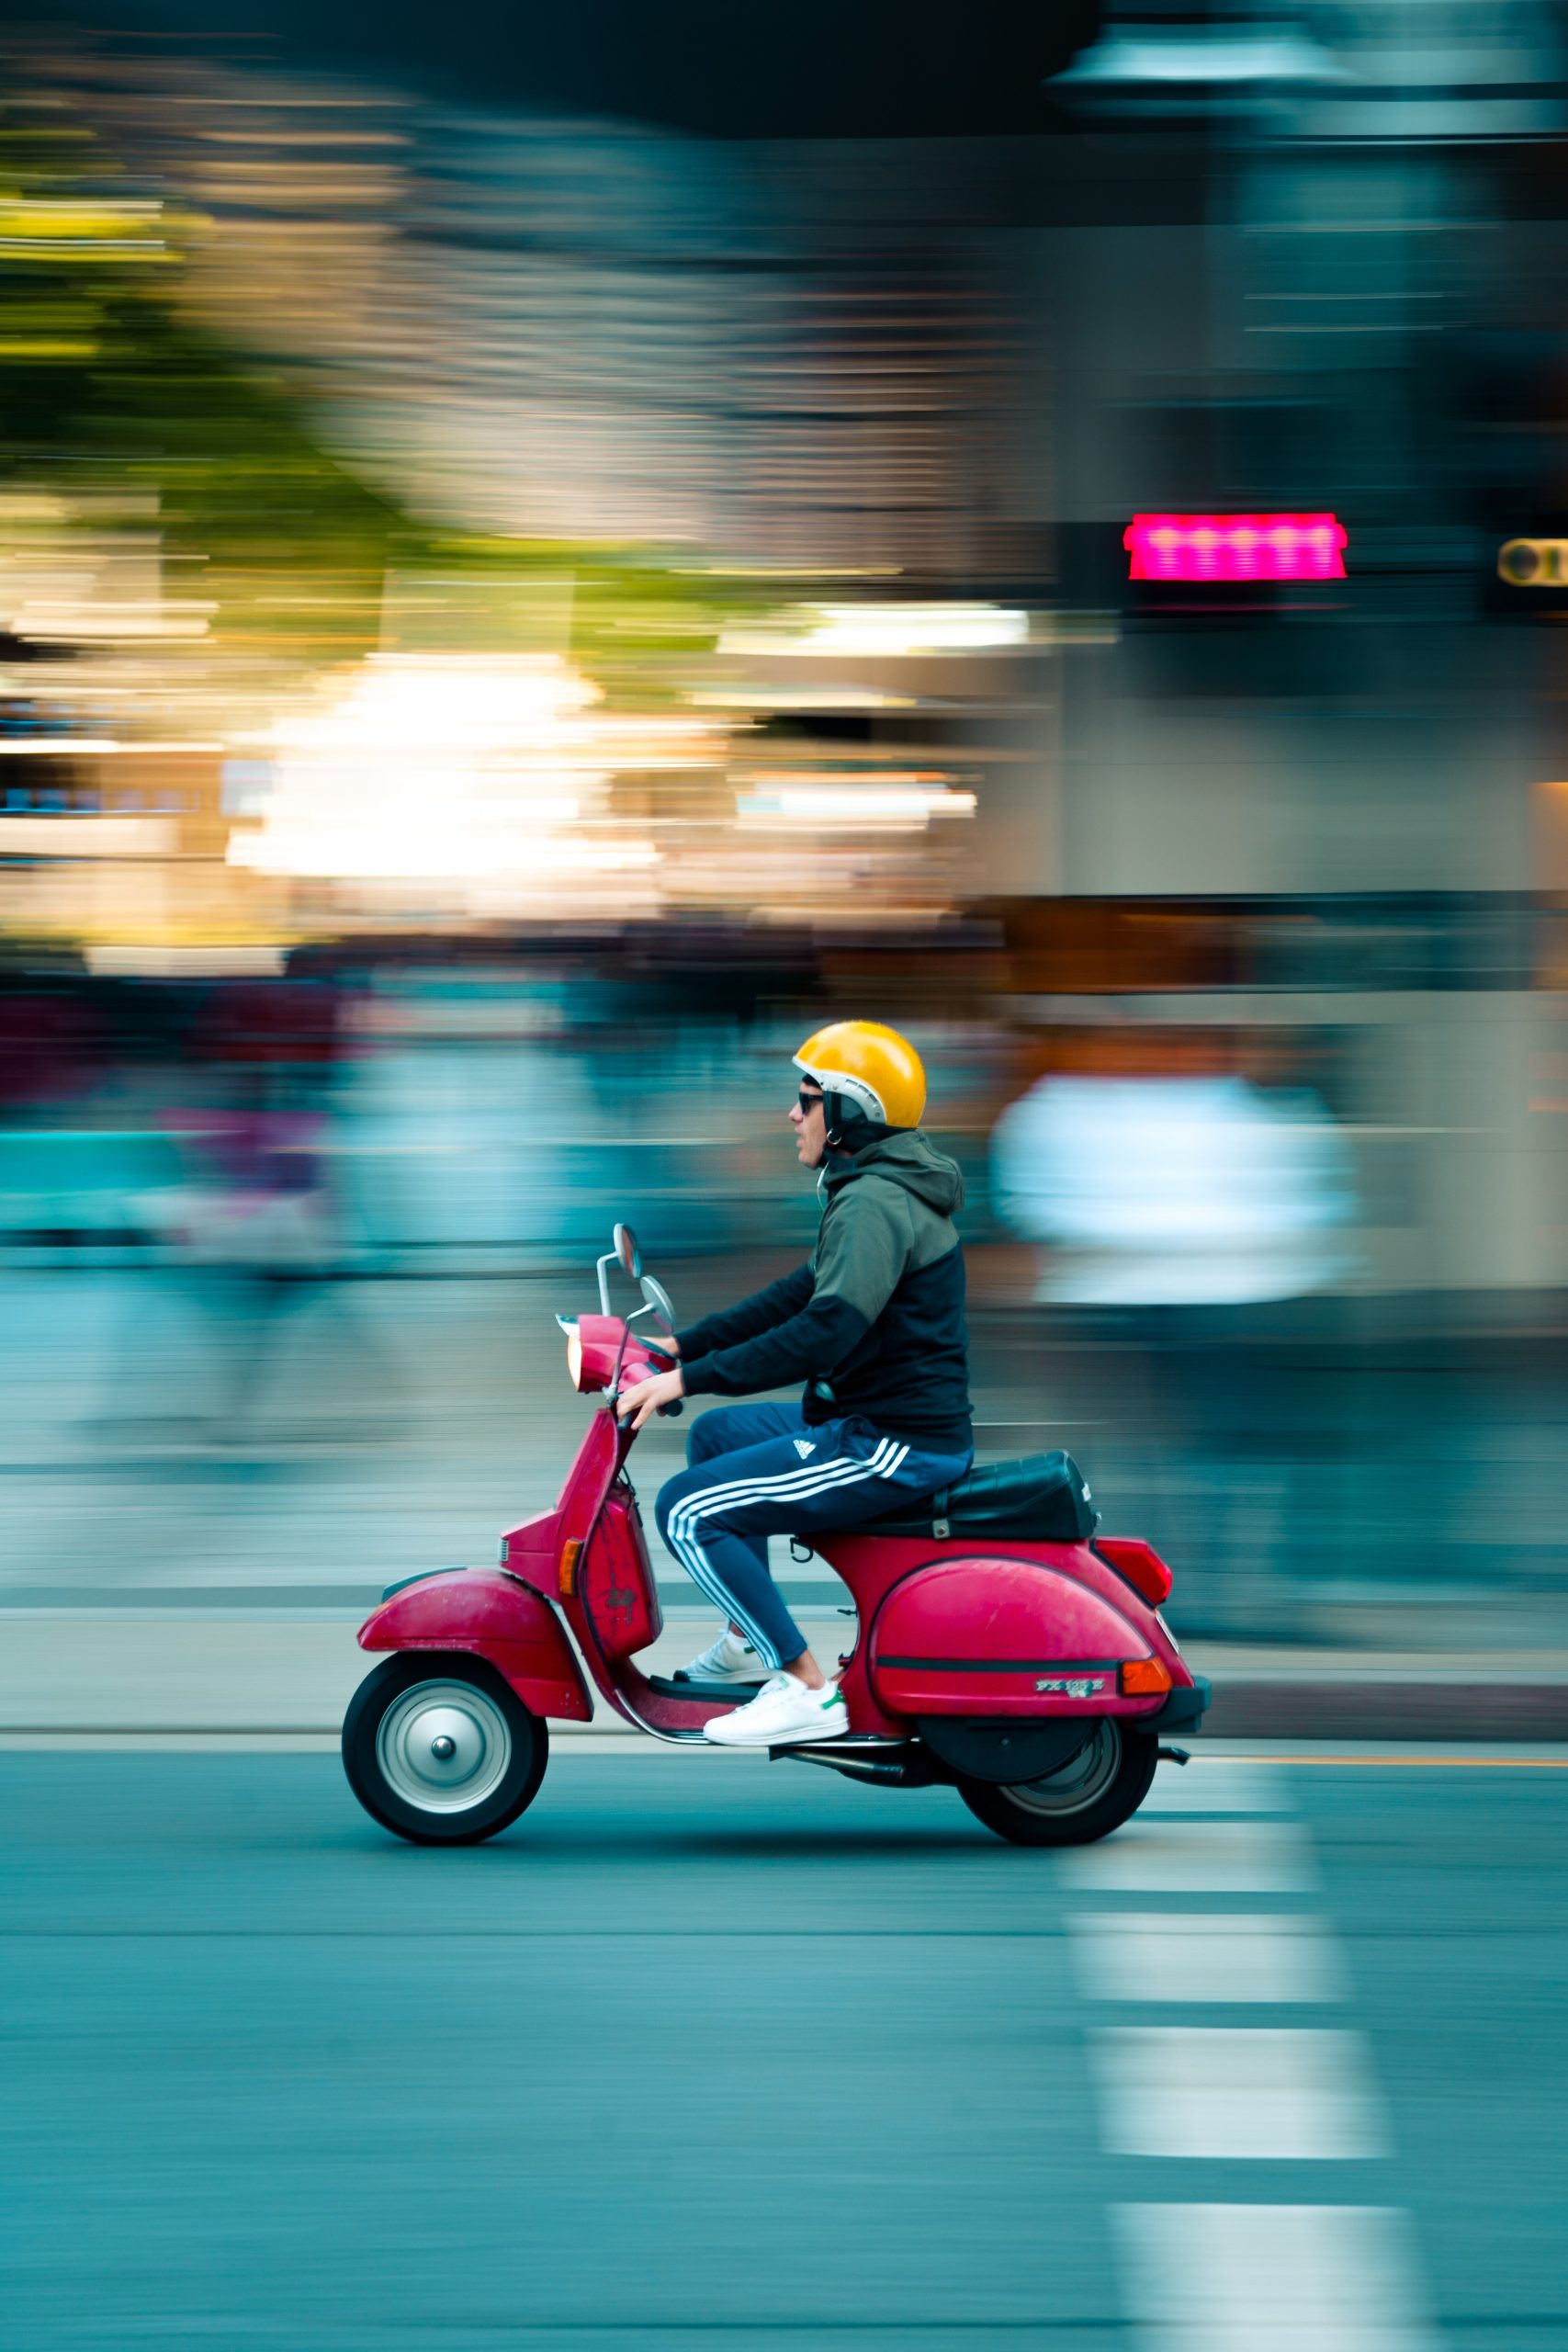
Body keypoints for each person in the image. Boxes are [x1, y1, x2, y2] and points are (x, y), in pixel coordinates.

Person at [615, 1020, 973, 1747]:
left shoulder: (874, 1202)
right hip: (873, 1421)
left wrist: (692, 1376)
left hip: (894, 1441)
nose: (792, 1113)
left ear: (848, 1113)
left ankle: (807, 1689)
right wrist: (679, 1346)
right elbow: (795, 1297)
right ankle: (749, 1641)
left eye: (806, 1099)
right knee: (715, 1438)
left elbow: (822, 1333)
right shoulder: (871, 1190)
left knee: (687, 1511)